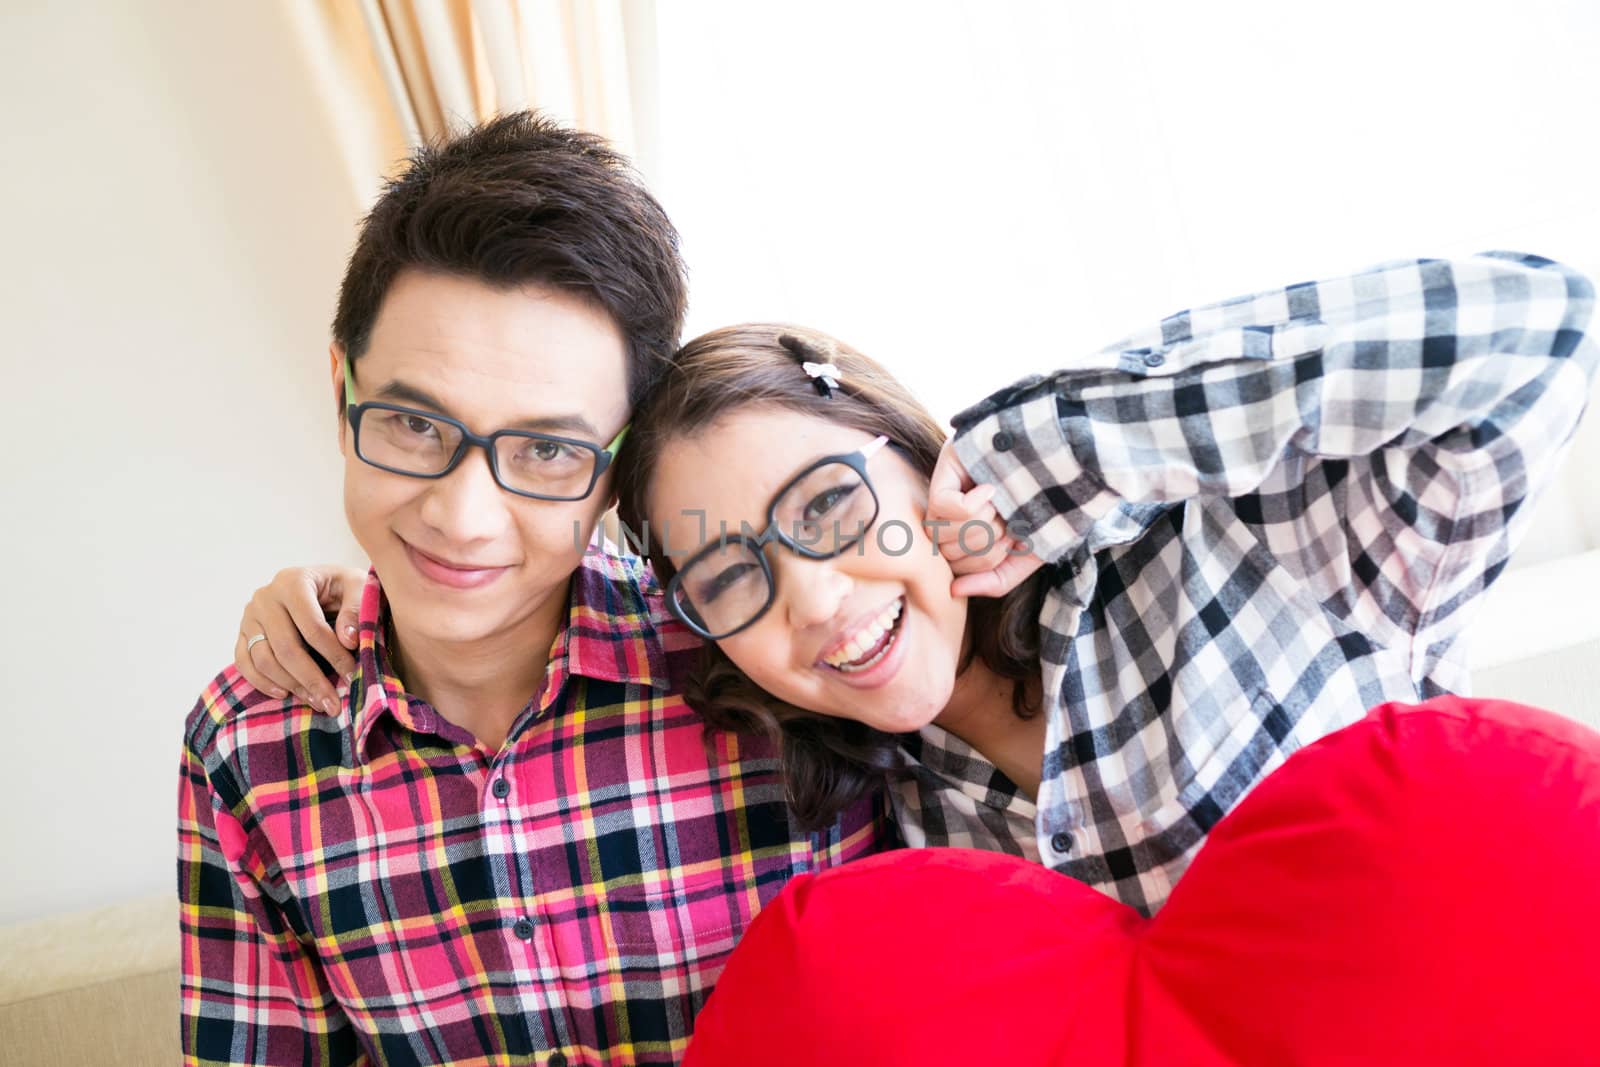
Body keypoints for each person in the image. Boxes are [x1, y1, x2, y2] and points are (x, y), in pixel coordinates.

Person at [247, 251, 1597, 917]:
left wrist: (1058, 450)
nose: (823, 604)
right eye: (733, 576)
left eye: (834, 508)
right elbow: (526, 574)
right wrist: (365, 597)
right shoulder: (882, 814)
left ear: (917, 456)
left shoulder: (1244, 556)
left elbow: (1547, 326)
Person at [178, 112, 890, 1067]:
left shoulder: (755, 653)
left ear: (621, 461)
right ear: (341, 385)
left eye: (548, 449)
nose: (463, 516)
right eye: (414, 425)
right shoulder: (247, 744)